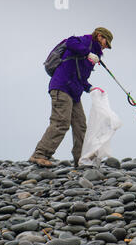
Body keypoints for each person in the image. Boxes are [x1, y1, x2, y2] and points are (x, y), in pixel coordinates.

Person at [29, 27, 113, 168]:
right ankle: (40, 154)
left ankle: (81, 160)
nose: (105, 47)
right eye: (106, 42)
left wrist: (90, 87)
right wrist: (88, 53)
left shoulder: (93, 55)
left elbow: (80, 76)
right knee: (61, 122)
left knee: (81, 126)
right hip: (61, 87)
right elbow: (70, 41)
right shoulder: (85, 42)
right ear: (99, 36)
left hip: (75, 93)